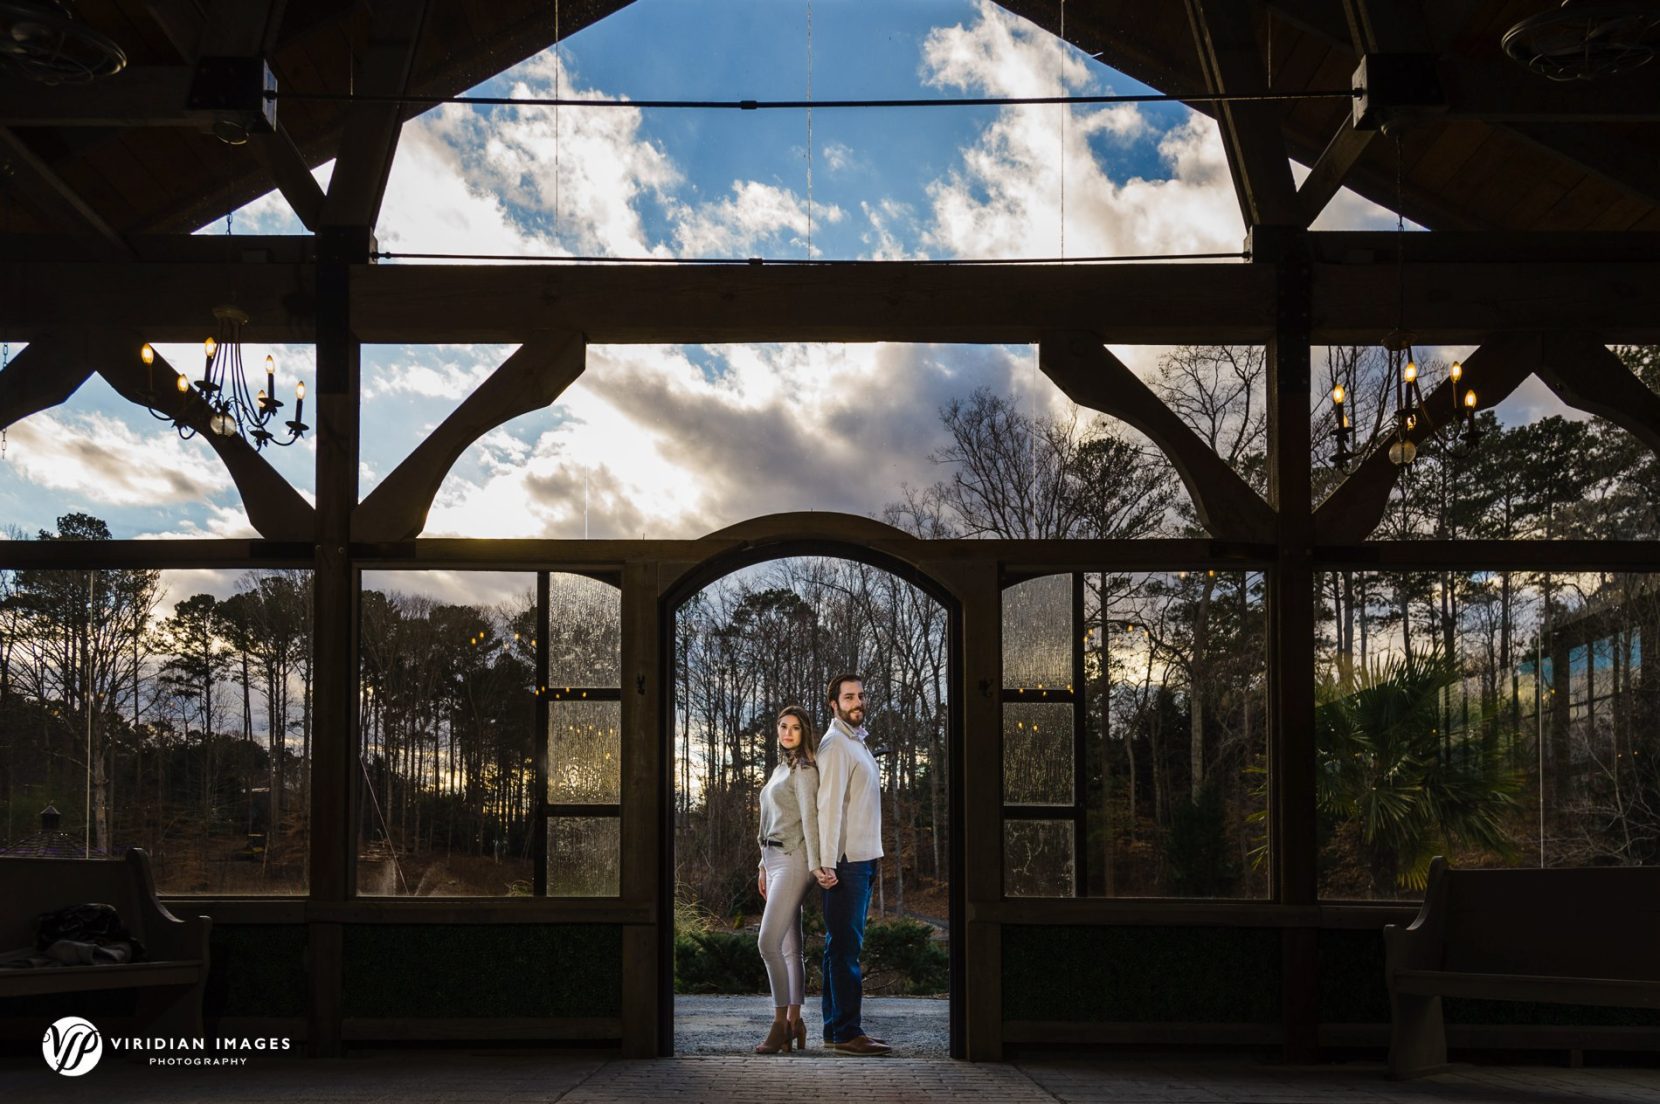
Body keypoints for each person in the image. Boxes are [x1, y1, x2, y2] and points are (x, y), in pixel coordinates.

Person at [814, 674, 892, 1056]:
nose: (857, 701)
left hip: (863, 857)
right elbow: (826, 808)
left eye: (861, 695)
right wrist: (826, 862)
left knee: (838, 948)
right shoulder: (834, 746)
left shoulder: (856, 742)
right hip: (844, 863)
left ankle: (836, 1030)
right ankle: (847, 1032)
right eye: (849, 697)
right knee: (846, 950)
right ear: (834, 703)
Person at [752, 705, 821, 1054]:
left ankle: (779, 1025)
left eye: (795, 727)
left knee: (767, 943)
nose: (787, 732)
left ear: (804, 732)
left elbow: (810, 819)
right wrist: (762, 866)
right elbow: (766, 823)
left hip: (796, 858)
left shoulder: (806, 771)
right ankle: (795, 1021)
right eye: (782, 726)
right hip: (773, 858)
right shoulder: (780, 768)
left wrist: (819, 864)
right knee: (791, 949)